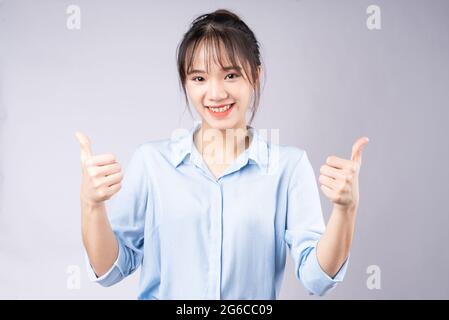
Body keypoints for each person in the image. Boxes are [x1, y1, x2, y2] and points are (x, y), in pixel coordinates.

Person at [75, 9, 369, 299]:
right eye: (199, 79)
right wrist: (91, 205)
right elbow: (109, 271)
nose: (215, 94)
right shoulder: (151, 162)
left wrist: (346, 210)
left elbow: (316, 279)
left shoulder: (288, 168)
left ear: (255, 76)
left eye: (230, 75)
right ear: (185, 83)